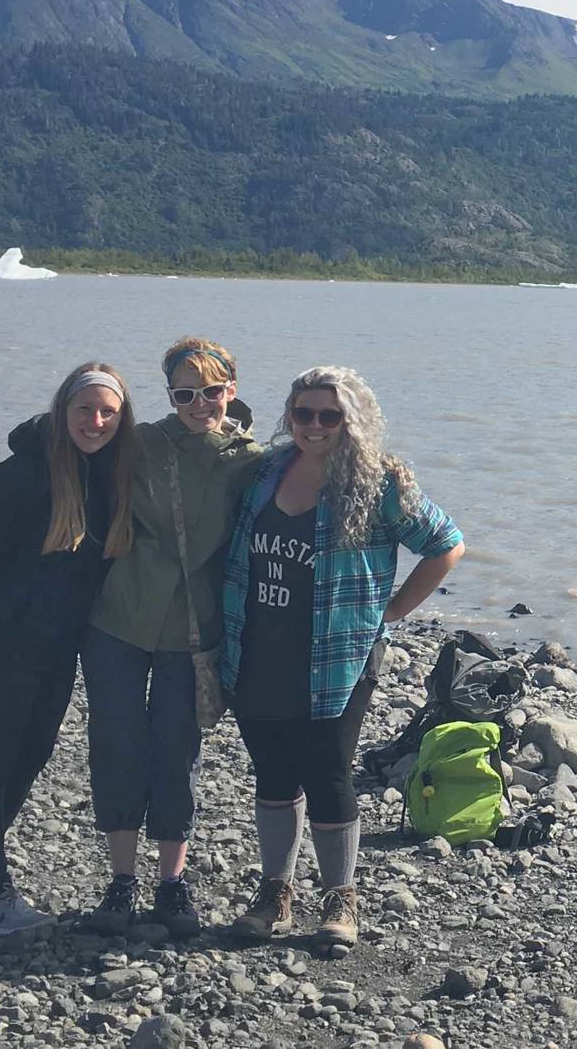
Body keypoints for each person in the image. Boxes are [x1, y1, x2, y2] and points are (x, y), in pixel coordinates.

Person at [220, 366, 464, 953]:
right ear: (290, 415)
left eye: (329, 415)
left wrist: (392, 612)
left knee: (328, 774)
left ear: (351, 420)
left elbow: (446, 546)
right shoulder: (267, 471)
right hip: (255, 647)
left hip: (339, 657)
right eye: (303, 413)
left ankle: (340, 897)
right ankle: (274, 891)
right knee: (273, 776)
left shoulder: (379, 483)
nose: (314, 426)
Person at [0, 363, 136, 936]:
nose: (95, 422)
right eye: (84, 410)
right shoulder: (19, 476)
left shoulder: (112, 474)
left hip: (58, 647)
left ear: (122, 419)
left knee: (32, 757)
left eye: (107, 413)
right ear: (61, 411)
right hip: (2, 644)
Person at [81, 337, 263, 936]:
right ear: (170, 396)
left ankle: (171, 883)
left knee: (177, 750)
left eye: (211, 391)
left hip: (195, 628)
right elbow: (63, 441)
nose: (199, 403)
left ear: (230, 391)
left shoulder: (251, 461)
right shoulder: (139, 442)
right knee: (116, 742)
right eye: (185, 393)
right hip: (119, 619)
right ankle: (121, 880)